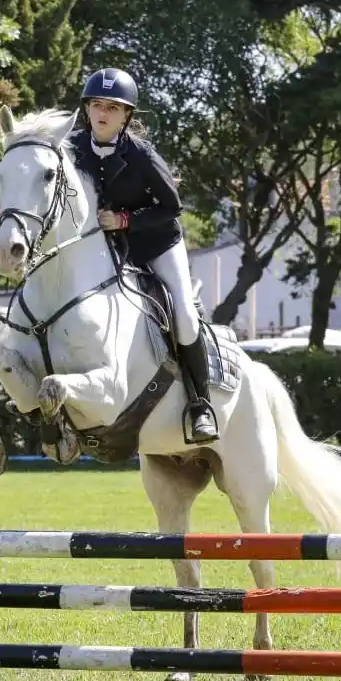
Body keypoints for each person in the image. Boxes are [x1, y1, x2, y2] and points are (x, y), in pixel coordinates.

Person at [65, 68, 218, 444]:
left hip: (156, 243)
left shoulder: (142, 155)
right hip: (106, 248)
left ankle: (200, 406)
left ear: (126, 116)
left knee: (184, 315)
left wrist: (124, 220)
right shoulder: (71, 147)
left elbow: (172, 207)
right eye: (96, 104)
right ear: (87, 109)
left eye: (112, 107)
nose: (102, 113)